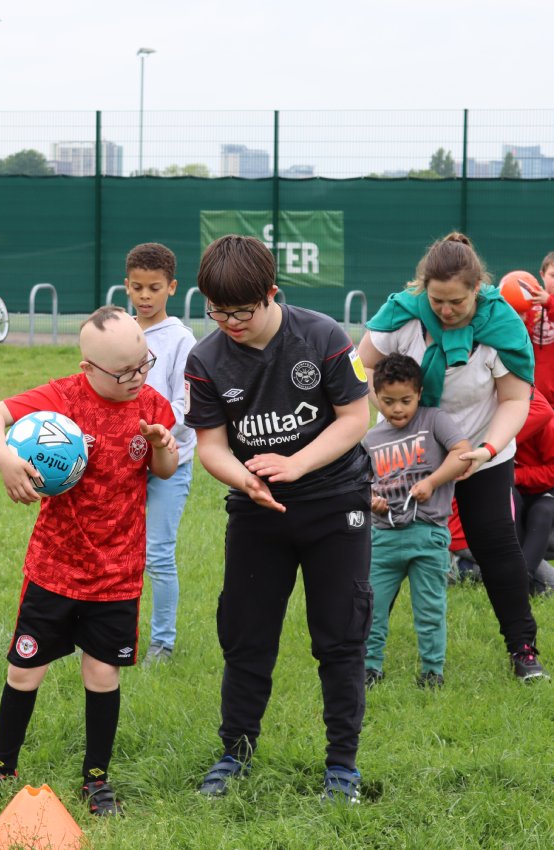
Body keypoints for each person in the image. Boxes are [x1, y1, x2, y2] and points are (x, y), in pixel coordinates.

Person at [184, 235, 373, 805]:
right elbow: (211, 446)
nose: (229, 323)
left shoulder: (324, 337)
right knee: (246, 637)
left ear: (271, 293)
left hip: (335, 503)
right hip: (257, 512)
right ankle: (234, 754)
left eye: (241, 311)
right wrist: (244, 479)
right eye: (217, 311)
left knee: (340, 637)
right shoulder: (206, 359)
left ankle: (342, 768)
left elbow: (355, 419)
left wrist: (295, 464)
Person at [0, 306, 177, 817]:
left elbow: (165, 471)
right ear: (88, 368)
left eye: (143, 364)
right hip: (55, 568)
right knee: (25, 671)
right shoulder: (63, 398)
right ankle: (0, 769)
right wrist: (6, 460)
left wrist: (162, 446)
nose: (137, 378)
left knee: (102, 675)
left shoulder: (151, 404)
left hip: (117, 573)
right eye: (124, 371)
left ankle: (96, 781)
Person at [358, 231, 548, 681]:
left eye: (456, 302)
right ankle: (361, 652)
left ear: (477, 289)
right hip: (407, 454)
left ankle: (522, 650)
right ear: (423, 288)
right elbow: (361, 364)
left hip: (480, 452)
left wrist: (485, 451)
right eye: (437, 300)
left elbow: (515, 400)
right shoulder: (402, 314)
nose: (445, 311)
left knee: (496, 546)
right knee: (385, 547)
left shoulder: (502, 326)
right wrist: (391, 416)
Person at [363, 353, 471, 689]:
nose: (397, 409)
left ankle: (432, 671)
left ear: (419, 393)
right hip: (383, 539)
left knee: (429, 608)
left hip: (428, 535)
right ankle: (369, 667)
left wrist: (432, 482)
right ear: (376, 396)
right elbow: (361, 485)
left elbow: (462, 453)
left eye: (405, 401)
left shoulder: (434, 420)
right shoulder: (370, 439)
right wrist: (372, 501)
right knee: (372, 607)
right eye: (388, 402)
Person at [124, 242, 196, 664]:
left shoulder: (181, 340)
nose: (145, 296)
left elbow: (187, 405)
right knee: (121, 552)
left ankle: (162, 643)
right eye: (137, 287)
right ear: (126, 286)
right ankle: (117, 633)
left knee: (157, 554)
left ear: (171, 287)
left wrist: (158, 430)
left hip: (171, 462)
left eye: (154, 288)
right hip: (124, 462)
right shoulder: (119, 332)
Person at [512, 389, 554, 596]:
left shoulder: (544, 422)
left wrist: (518, 476)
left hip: (544, 492)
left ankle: (522, 579)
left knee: (542, 513)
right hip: (512, 492)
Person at [525, 252, 554, 407]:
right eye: (553, 275)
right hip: (536, 392)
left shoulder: (548, 301)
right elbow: (522, 341)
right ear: (542, 275)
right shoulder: (530, 305)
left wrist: (549, 302)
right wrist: (523, 319)